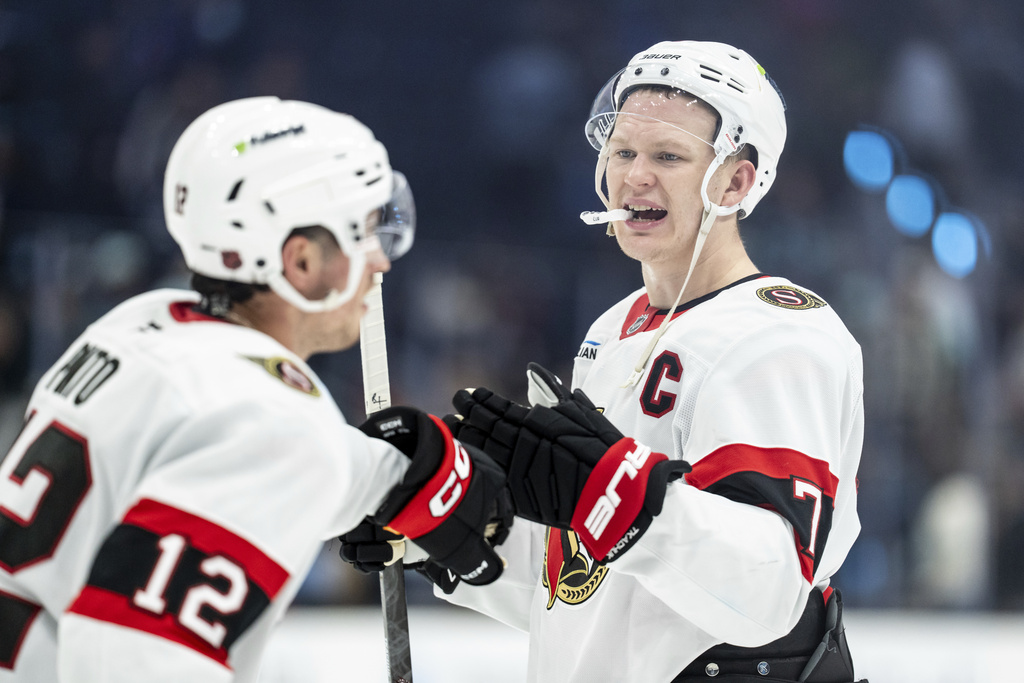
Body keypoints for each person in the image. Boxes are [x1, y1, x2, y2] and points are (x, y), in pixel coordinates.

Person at [343, 40, 868, 682]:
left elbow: (766, 593)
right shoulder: (614, 327)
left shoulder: (777, 334)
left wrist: (619, 498)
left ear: (736, 180)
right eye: (622, 152)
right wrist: (444, 522)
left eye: (668, 156)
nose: (634, 176)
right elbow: (581, 592)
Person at [0, 96, 507, 682]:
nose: (381, 262)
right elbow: (136, 660)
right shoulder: (274, 422)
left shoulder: (141, 324)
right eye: (366, 234)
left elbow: (213, 448)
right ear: (301, 262)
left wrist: (391, 475)